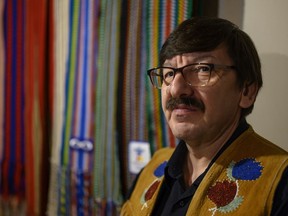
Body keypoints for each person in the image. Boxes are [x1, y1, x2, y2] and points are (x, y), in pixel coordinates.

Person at [120, 17, 288, 216]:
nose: (176, 89)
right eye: (168, 73)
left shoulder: (280, 180)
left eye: (202, 69)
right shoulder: (153, 168)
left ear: (246, 91)